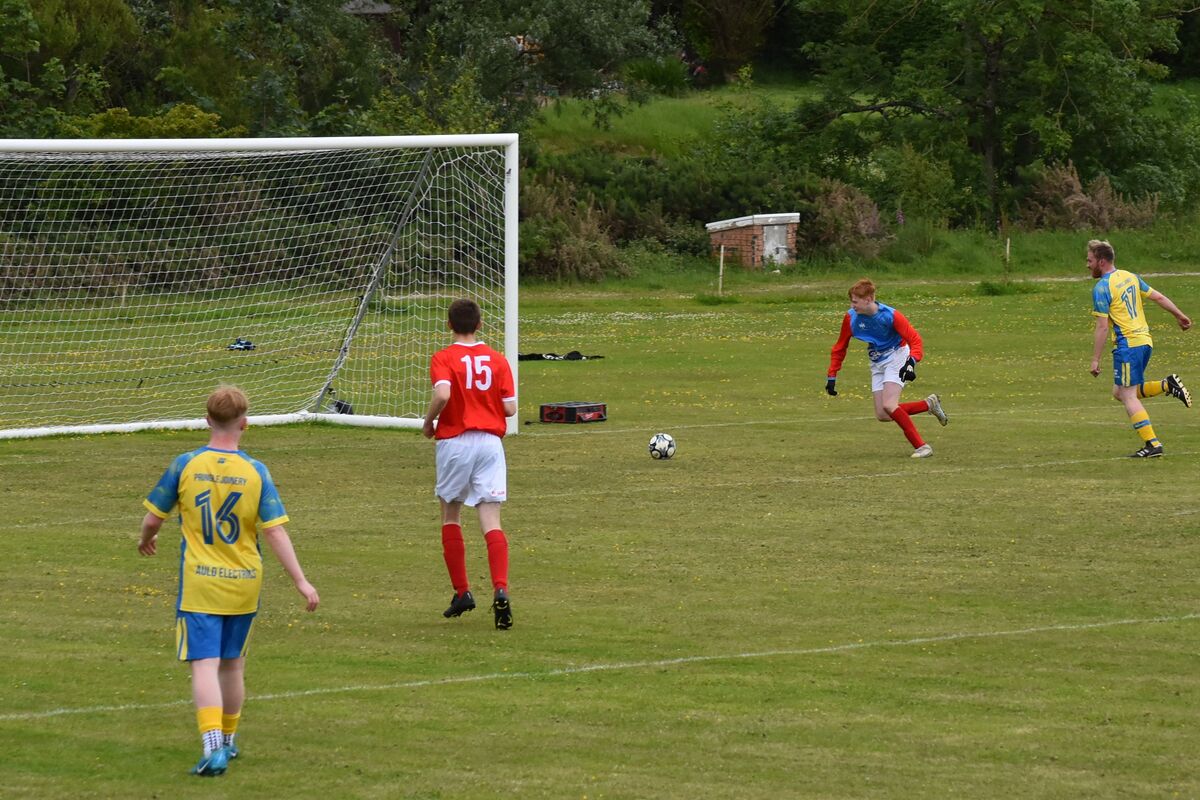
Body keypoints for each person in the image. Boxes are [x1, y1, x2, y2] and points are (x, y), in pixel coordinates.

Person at [138, 385, 319, 777]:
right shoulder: (256, 472)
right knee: (233, 665)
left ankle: (213, 748)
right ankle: (230, 740)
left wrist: (147, 538)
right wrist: (302, 582)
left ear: (206, 420)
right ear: (245, 423)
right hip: (244, 582)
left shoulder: (185, 464)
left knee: (204, 665)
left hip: (201, 583)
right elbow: (275, 532)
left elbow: (154, 518)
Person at [423, 298, 517, 629]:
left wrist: (428, 421)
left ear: (449, 325)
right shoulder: (497, 359)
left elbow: (444, 394)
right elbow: (510, 409)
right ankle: (501, 588)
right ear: (479, 325)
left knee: (451, 513)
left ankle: (462, 591)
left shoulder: (444, 357)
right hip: (491, 444)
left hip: (455, 442)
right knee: (491, 519)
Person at [1087, 239, 1192, 457]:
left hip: (1128, 345)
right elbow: (1159, 296)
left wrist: (1095, 359)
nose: (1087, 265)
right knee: (1120, 392)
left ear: (1102, 261)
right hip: (1145, 342)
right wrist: (1179, 315)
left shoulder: (1102, 288)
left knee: (1127, 396)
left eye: (1090, 260)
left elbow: (1102, 327)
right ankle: (1167, 385)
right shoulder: (1130, 277)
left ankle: (1152, 444)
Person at [825, 278, 948, 458]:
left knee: (890, 405)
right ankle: (928, 404)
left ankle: (922, 447)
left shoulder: (891, 315)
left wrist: (911, 363)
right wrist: (832, 375)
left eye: (855, 301)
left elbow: (915, 340)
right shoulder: (851, 318)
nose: (852, 305)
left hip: (898, 356)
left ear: (868, 300)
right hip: (877, 361)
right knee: (883, 414)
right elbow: (840, 347)